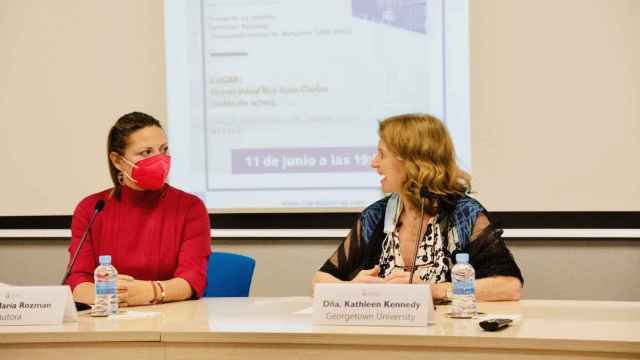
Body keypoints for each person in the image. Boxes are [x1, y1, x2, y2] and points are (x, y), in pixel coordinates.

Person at [313, 114, 523, 301]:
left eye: (382, 154)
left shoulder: (463, 213)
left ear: (410, 161)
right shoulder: (376, 215)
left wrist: (432, 291)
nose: (374, 163)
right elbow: (319, 281)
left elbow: (509, 286)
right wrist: (351, 288)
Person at [65, 112, 211, 306]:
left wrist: (151, 291)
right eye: (146, 152)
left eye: (163, 149)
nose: (160, 159)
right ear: (117, 160)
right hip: (109, 320)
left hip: (171, 321)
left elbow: (192, 280)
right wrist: (114, 295)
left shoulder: (190, 207)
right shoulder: (91, 209)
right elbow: (78, 280)